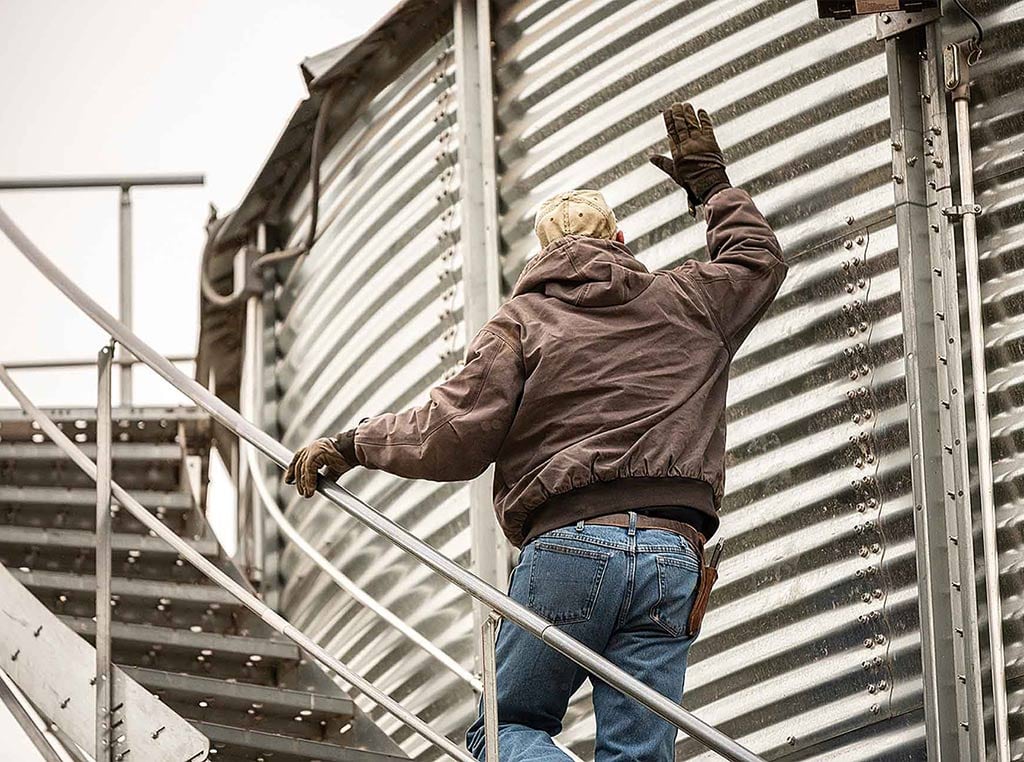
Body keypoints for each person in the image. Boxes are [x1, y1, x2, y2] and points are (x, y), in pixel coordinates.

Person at [285, 102, 787, 761]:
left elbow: (449, 434)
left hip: (569, 550)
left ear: (542, 255)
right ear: (622, 239)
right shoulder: (687, 299)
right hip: (673, 555)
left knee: (504, 731)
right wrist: (711, 185)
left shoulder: (522, 321)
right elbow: (757, 262)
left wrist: (351, 445)